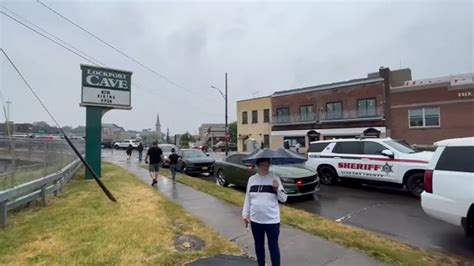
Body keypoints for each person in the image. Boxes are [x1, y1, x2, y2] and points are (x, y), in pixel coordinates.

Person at [242, 158, 287, 266]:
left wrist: (277, 189)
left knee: (273, 246)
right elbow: (248, 198)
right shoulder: (252, 179)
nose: (265, 167)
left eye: (267, 164)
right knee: (258, 246)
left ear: (270, 165)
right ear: (258, 166)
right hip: (256, 220)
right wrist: (245, 214)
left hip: (272, 221)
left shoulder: (275, 178)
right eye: (262, 165)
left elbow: (284, 198)